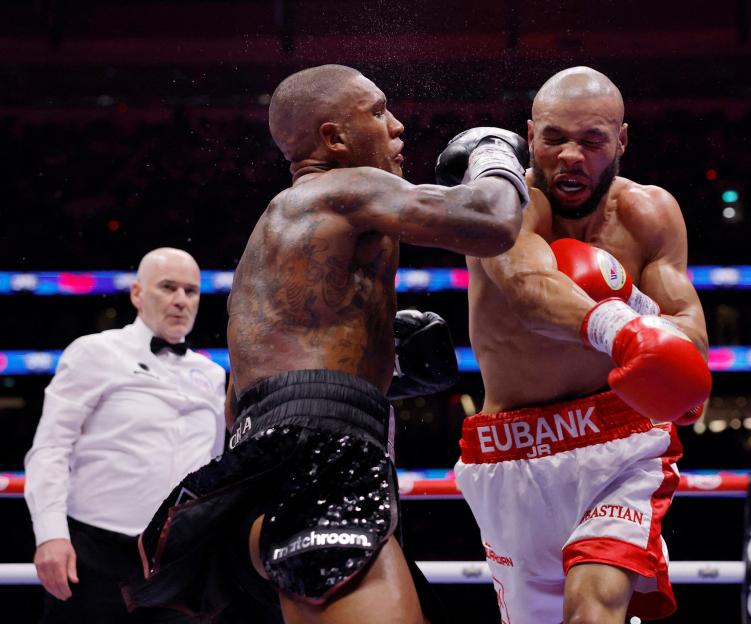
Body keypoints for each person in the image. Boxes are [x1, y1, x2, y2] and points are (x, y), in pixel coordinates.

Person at [123, 64, 529, 624]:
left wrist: (383, 367)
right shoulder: (345, 186)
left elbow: (244, 398)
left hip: (261, 474)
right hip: (323, 461)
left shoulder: (270, 244)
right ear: (335, 139)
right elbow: (491, 220)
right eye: (379, 112)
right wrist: (494, 155)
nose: (398, 126)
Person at [451, 66, 712, 624]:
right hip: (513, 446)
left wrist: (653, 330)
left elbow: (689, 331)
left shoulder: (650, 213)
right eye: (553, 138)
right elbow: (529, 291)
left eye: (591, 140)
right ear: (530, 133)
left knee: (595, 607)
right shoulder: (504, 207)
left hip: (621, 441)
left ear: (620, 141)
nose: (570, 155)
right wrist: (624, 324)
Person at [24, 247, 226, 623]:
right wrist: (50, 534)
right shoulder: (95, 353)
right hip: (94, 554)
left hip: (176, 561)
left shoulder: (211, 375)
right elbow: (51, 448)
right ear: (137, 293)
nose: (181, 300)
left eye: (191, 291)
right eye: (168, 287)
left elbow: (212, 467)